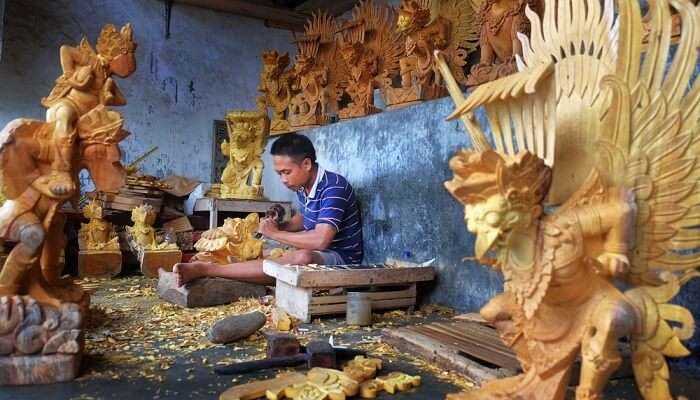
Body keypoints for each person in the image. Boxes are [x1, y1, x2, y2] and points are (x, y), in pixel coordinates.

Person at [173, 133, 363, 286]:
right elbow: (307, 218)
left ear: (306, 164)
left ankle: (207, 270)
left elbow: (320, 240)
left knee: (302, 256)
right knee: (269, 249)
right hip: (323, 252)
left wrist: (274, 233)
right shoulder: (303, 185)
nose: (283, 180)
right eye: (279, 173)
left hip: (342, 257)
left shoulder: (334, 187)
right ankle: (228, 269)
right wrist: (282, 226)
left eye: (286, 172)